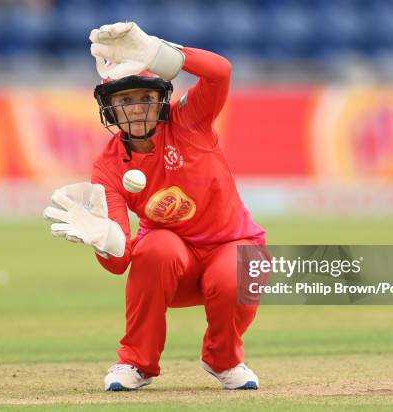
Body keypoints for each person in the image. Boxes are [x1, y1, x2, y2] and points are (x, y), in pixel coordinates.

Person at [43, 22, 266, 391]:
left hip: (231, 245)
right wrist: (106, 241)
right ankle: (137, 364)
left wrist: (158, 54)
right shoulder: (108, 165)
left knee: (237, 271)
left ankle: (224, 360)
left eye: (145, 98)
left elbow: (220, 72)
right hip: (174, 264)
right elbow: (119, 265)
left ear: (160, 100)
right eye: (126, 101)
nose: (137, 108)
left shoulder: (189, 121)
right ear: (110, 108)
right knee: (155, 247)